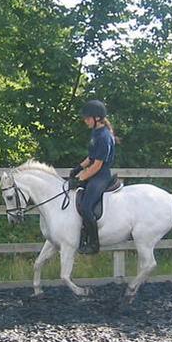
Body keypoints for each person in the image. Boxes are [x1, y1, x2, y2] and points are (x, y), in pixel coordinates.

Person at [70, 99, 117, 254]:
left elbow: (97, 165)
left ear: (97, 118)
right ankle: (81, 236)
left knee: (86, 207)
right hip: (94, 173)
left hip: (101, 176)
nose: (85, 121)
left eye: (87, 118)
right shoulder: (96, 133)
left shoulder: (104, 136)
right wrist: (77, 168)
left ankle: (94, 244)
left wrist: (80, 179)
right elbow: (90, 158)